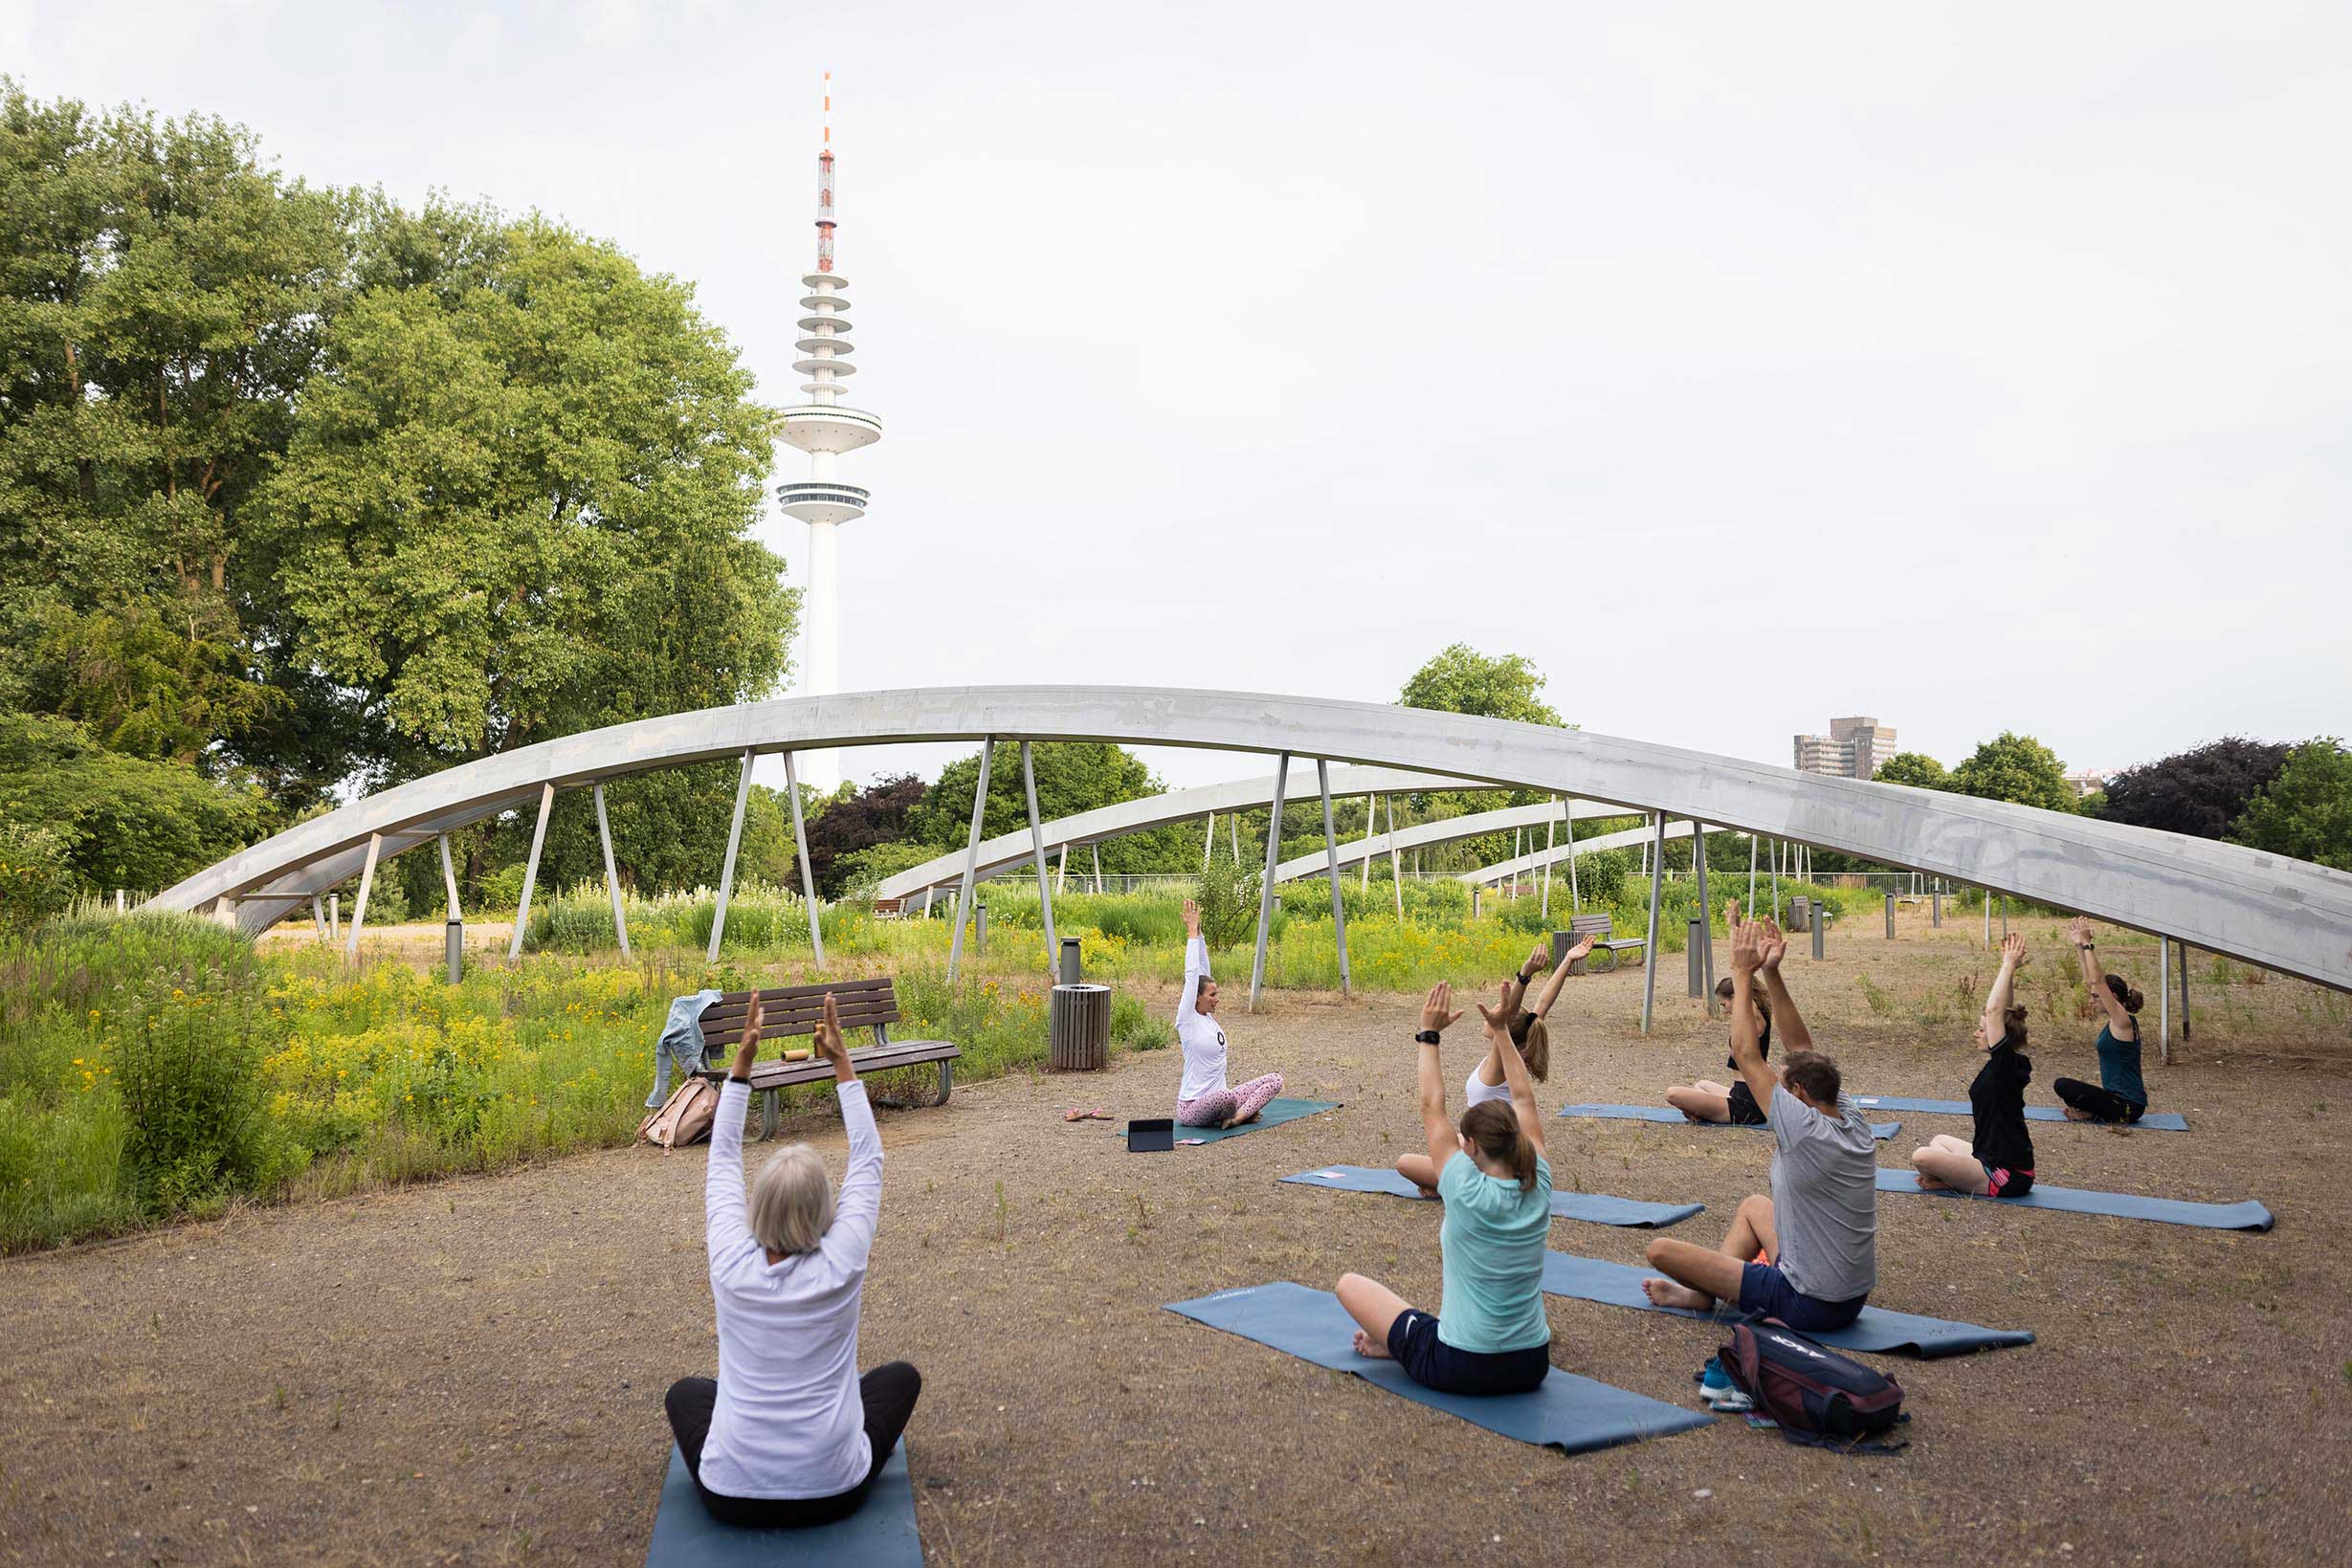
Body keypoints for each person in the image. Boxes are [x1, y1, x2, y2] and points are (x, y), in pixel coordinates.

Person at [663, 992, 921, 1529]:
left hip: (729, 1494)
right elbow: (869, 1158)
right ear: (825, 1210)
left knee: (687, 1394)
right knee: (899, 1379)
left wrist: (741, 1067)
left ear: (757, 1207)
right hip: (835, 1491)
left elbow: (722, 1158)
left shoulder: (731, 1261)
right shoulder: (841, 1262)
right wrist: (841, 1063)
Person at [1642, 905, 1877, 1334]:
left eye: (1784, 1084)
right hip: (1850, 1297)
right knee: (1754, 1207)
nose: (1778, 1087)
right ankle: (1703, 1295)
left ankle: (1702, 1293)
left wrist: (1741, 972)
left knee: (1660, 1251)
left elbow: (1747, 1054)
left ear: (1799, 1093)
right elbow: (1802, 1047)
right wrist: (1772, 971)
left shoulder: (1803, 1130)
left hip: (1809, 1302)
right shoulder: (1850, 1116)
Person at [1337, 981, 1553, 1395]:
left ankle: (1402, 1347)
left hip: (1463, 1364)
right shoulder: (1539, 1180)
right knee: (1431, 1324)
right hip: (1531, 1364)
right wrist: (1502, 1030)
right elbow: (1525, 1100)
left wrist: (1428, 1034)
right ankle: (1402, 1344)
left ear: (1470, 1147)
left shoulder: (1462, 1187)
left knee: (1349, 1285)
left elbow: (1432, 1106)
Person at [1393, 934, 1593, 1195]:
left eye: (1498, 1010)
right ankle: (1448, 1181)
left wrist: (1524, 976)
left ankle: (1454, 1187)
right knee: (1452, 1143)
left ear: (1504, 1025)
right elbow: (1543, 1004)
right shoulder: (1520, 1048)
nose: (1493, 1012)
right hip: (1503, 1151)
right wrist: (1567, 960)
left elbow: (1508, 1017)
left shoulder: (1499, 1064)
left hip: (1487, 1158)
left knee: (1405, 1163)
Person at [1910, 931, 2034, 1197]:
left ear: (1998, 1035)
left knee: (1921, 1157)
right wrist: (2010, 971)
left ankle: (1954, 1182)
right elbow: (2003, 1011)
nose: (1976, 1034)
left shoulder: (2005, 1067)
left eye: (1982, 1030)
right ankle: (1954, 1179)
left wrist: (2007, 964)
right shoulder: (2007, 1063)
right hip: (1987, 1157)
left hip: (2006, 1175)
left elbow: (1995, 1012)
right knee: (1939, 1141)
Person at [1174, 897, 1283, 1129]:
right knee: (1226, 1097)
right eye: (1212, 995)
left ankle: (1237, 1117)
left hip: (1224, 1100)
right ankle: (1239, 1112)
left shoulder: (1208, 1018)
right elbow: (1193, 974)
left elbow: (1203, 970)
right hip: (1193, 1107)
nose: (1217, 999)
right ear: (1197, 997)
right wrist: (1191, 933)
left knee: (1275, 1080)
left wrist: (1199, 932)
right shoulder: (1187, 1019)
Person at [2054, 917, 2149, 1123]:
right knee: (2063, 1085)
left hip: (2128, 1106)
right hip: (2115, 1100)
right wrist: (2079, 946)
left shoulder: (2123, 1021)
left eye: (2095, 997)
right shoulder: (2117, 1021)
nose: (2091, 1001)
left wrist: (2088, 944)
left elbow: (2097, 980)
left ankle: (2093, 1113)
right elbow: (2092, 981)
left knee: (2063, 1085)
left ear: (2112, 997)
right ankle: (2092, 1113)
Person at [1665, 976, 1776, 1125]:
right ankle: (1700, 1111)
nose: (1725, 1010)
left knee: (1672, 1094)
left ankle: (1701, 1113)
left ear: (1736, 997)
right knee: (1701, 1085)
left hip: (1747, 1106)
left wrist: (1741, 980)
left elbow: (1749, 1010)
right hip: (1746, 1094)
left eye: (1724, 1005)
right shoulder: (1756, 1016)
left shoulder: (1753, 1019)